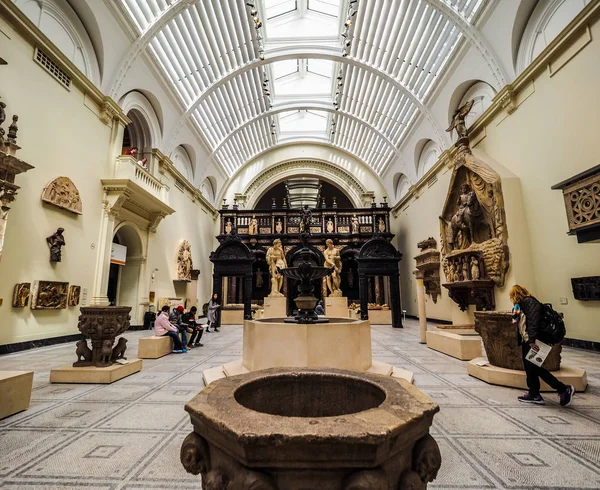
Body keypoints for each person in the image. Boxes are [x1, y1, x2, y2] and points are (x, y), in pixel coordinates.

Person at [509, 285, 574, 406]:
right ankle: (534, 394)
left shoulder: (529, 302)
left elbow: (533, 322)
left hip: (535, 341)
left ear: (516, 294)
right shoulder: (521, 306)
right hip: (527, 340)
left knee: (534, 367)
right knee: (530, 368)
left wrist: (532, 340)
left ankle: (563, 388)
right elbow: (520, 323)